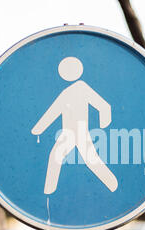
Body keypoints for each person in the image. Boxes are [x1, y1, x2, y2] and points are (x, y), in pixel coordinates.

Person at [31, 57, 118, 194]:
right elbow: (53, 112)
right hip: (67, 133)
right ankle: (48, 191)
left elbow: (103, 105)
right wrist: (38, 129)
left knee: (91, 160)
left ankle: (113, 185)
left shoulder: (82, 88)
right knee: (55, 156)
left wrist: (104, 123)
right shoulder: (65, 93)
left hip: (81, 131)